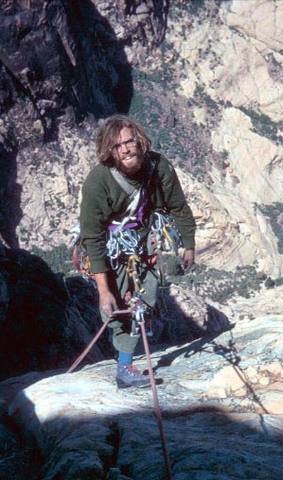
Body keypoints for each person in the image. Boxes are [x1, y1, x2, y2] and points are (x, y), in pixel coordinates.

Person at [80, 114, 196, 388]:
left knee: (146, 298)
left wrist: (188, 243)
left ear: (140, 141)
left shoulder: (158, 167)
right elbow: (92, 236)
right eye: (118, 146)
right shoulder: (98, 182)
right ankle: (124, 368)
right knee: (118, 305)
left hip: (143, 245)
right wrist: (103, 290)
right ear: (109, 152)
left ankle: (127, 363)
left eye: (130, 141)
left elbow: (178, 205)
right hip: (112, 250)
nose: (126, 149)